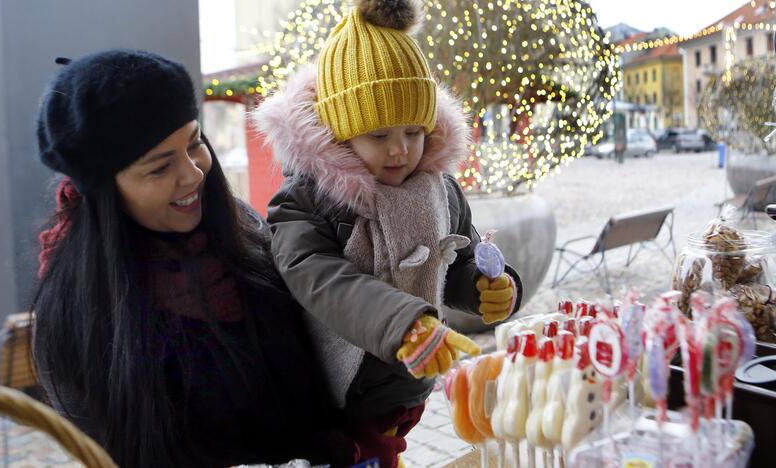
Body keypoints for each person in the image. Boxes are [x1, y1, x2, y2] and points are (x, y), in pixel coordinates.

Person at [31, 49, 357, 467]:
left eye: (194, 143)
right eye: (159, 168)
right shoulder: (78, 317)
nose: (192, 174)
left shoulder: (249, 233)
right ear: (106, 192)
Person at [254, 1, 524, 466]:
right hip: (336, 403)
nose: (401, 150)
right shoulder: (306, 201)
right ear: (340, 133)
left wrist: (486, 289)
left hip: (405, 386)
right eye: (378, 135)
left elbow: (455, 260)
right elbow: (319, 278)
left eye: (413, 131)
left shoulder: (439, 190)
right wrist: (402, 323)